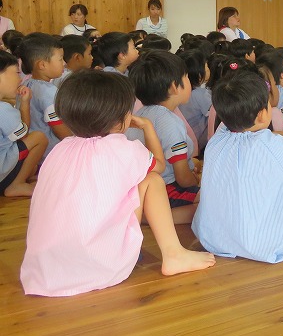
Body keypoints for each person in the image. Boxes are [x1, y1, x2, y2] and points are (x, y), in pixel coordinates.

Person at [20, 69, 215, 297]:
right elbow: (159, 167)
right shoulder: (123, 148)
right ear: (122, 117)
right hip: (99, 262)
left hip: (45, 265)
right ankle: (174, 254)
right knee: (152, 180)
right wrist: (147, 127)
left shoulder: (60, 149)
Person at [192, 71, 283, 263]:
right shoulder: (272, 144)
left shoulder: (218, 137)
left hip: (213, 239)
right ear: (263, 114)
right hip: (262, 244)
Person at [126, 50, 200, 224]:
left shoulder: (141, 114)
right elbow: (182, 178)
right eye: (187, 77)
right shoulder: (169, 121)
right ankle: (151, 218)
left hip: (143, 187)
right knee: (211, 202)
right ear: (174, 86)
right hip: (167, 189)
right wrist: (196, 180)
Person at [16, 33, 72, 158]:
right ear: (42, 65)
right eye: (60, 59)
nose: (64, 63)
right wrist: (76, 142)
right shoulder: (49, 92)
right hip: (50, 153)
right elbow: (58, 127)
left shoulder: (26, 84)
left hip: (33, 150)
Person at [0, 51, 47, 197]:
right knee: (39, 138)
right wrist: (25, 103)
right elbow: (24, 132)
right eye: (16, 73)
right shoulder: (2, 109)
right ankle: (16, 184)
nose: (20, 79)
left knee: (31, 168)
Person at [177, 49, 212, 152]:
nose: (209, 70)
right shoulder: (200, 94)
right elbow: (214, 115)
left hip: (183, 138)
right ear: (199, 74)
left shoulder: (179, 92)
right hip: (197, 143)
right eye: (207, 67)